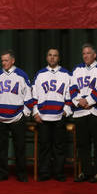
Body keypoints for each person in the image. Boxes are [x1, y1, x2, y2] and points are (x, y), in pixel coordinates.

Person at [0, 50, 33, 182]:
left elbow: (29, 97)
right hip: (0, 117)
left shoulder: (21, 75)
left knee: (20, 147)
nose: (4, 63)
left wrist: (25, 113)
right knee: (0, 147)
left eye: (6, 60)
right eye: (2, 60)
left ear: (12, 61)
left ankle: (21, 174)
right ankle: (2, 173)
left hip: (17, 117)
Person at [69, 44, 97, 183]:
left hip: (96, 112)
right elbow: (72, 88)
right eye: (83, 53)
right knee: (82, 144)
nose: (85, 56)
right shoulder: (76, 69)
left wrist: (87, 101)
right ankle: (85, 172)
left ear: (94, 54)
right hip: (80, 113)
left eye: (88, 53)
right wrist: (80, 102)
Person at [32, 48, 71, 181]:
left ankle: (59, 172)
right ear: (47, 57)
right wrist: (35, 112)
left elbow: (70, 95)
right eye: (50, 55)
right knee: (44, 146)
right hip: (43, 116)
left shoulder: (66, 74)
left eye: (55, 55)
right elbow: (34, 96)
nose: (52, 58)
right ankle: (44, 172)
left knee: (59, 146)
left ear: (58, 58)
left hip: (59, 115)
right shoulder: (40, 74)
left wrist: (66, 111)